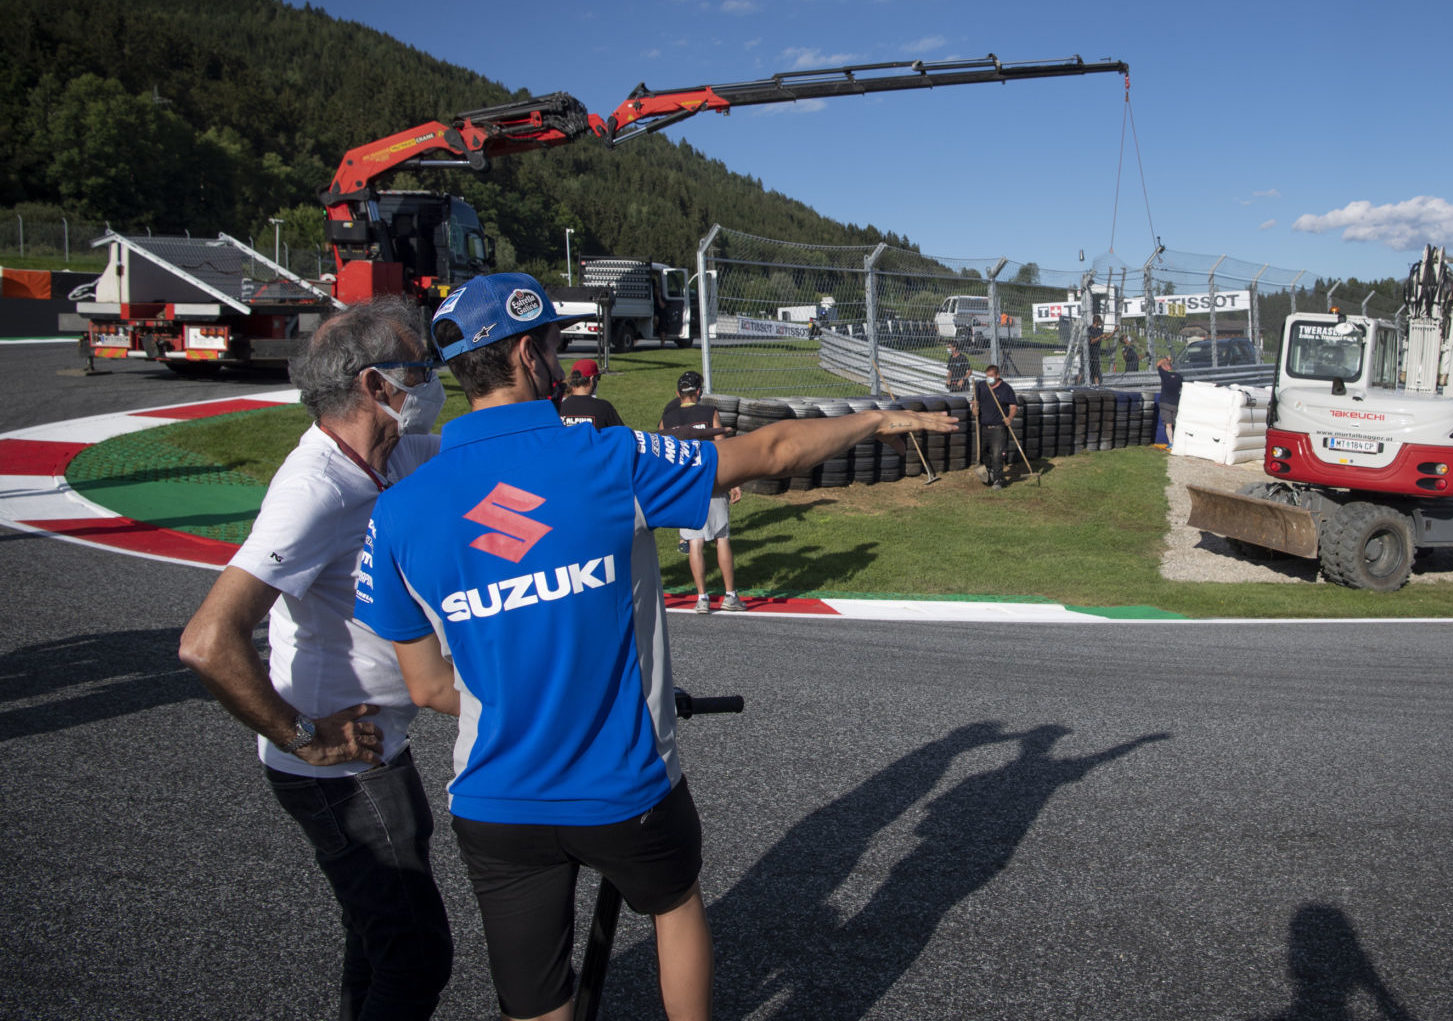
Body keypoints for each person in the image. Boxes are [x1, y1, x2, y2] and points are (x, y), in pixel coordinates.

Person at [353, 273, 954, 1021]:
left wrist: (517, 703)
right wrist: (878, 419)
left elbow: (426, 685)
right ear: (526, 357)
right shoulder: (607, 456)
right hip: (625, 784)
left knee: (537, 998)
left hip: (495, 798)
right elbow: (774, 448)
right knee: (674, 905)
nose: (556, 355)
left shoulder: (400, 509)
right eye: (550, 342)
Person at [177, 296, 454, 1021]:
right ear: (373, 385)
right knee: (417, 956)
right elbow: (208, 640)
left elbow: (479, 450)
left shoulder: (389, 454)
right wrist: (305, 734)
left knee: (375, 941)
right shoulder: (313, 489)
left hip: (382, 747)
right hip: (339, 768)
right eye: (418, 368)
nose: (430, 381)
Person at [661, 371, 743, 613]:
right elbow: (721, 446)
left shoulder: (668, 416)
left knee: (694, 541)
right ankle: (730, 595)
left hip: (685, 483)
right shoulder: (709, 412)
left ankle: (702, 598)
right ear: (699, 392)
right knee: (721, 538)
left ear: (678, 394)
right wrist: (734, 481)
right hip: (711, 479)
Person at [971, 364, 1019, 489]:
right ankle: (990, 472)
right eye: (987, 376)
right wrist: (974, 409)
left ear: (997, 376)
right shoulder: (981, 386)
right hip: (983, 426)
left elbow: (1013, 406)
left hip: (998, 428)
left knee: (997, 454)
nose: (989, 379)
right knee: (983, 452)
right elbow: (974, 402)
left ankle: (998, 480)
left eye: (991, 376)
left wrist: (1009, 418)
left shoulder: (1006, 389)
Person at [558, 358, 624, 428]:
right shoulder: (604, 408)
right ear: (591, 379)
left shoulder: (559, 408)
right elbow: (622, 434)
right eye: (598, 378)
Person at [1154, 355, 1184, 448]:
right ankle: (1178, 442)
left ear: (1165, 367)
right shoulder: (1179, 376)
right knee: (1176, 424)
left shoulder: (1164, 374)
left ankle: (1171, 443)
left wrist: (1166, 359)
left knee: (1168, 425)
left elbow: (1158, 365)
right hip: (1176, 403)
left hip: (1165, 403)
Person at [1085, 315, 1105, 385]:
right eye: (1100, 322)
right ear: (1096, 322)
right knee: (1084, 370)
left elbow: (1105, 337)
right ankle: (1079, 384)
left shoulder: (1099, 330)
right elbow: (1092, 341)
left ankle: (1096, 386)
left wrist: (1114, 332)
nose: (1100, 323)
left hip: (1096, 353)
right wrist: (1100, 337)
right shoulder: (1090, 329)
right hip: (1090, 352)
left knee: (1096, 371)